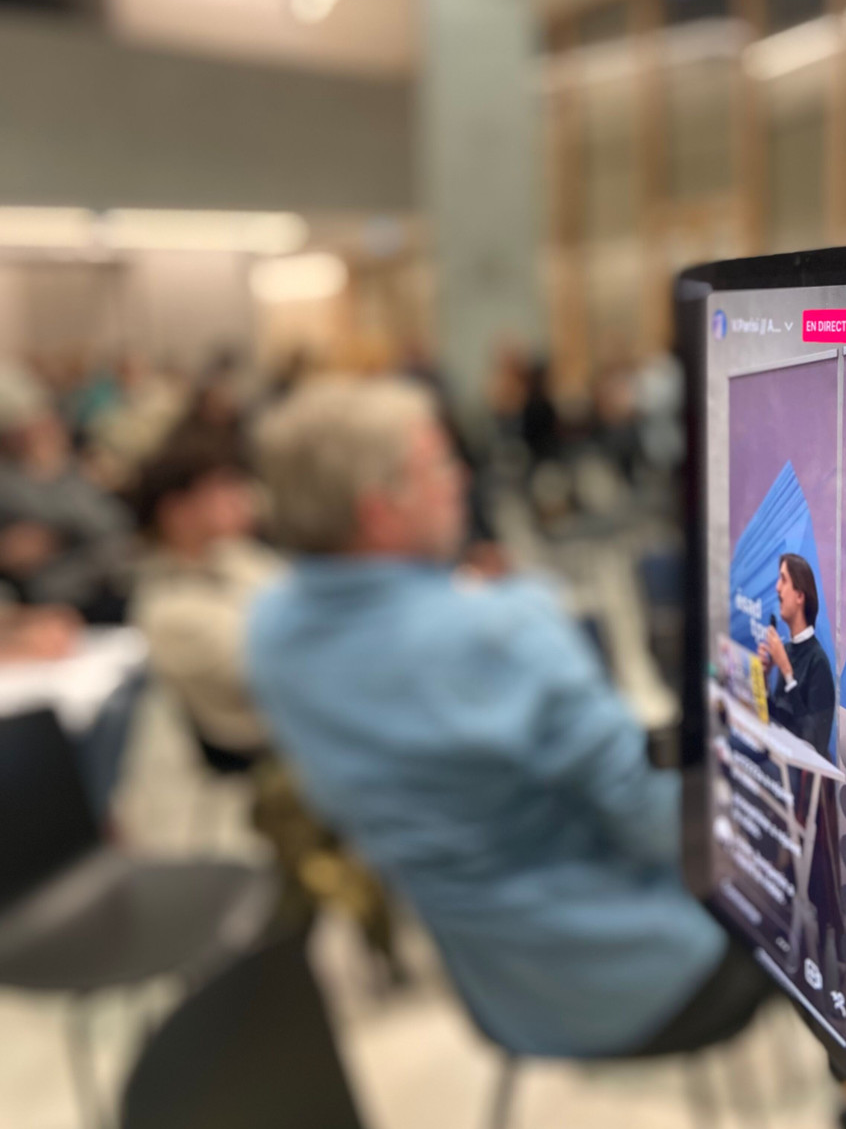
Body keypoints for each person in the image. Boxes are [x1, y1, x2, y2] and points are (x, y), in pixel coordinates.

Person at [248, 376, 772, 1059]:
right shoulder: (500, 632)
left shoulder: (269, 633)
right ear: (380, 509)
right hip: (645, 975)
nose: (459, 478)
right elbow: (665, 829)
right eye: (437, 464)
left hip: (494, 992)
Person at [128, 431, 281, 764]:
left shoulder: (237, 554)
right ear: (177, 511)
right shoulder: (167, 609)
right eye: (220, 489)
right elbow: (288, 672)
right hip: (273, 758)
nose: (241, 497)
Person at [0, 364, 133, 623]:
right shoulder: (15, 478)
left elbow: (113, 527)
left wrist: (56, 469)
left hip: (88, 584)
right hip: (40, 597)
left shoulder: (61, 468)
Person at [757, 553, 835, 762]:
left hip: (799, 770)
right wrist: (764, 679)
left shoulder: (818, 662)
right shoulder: (787, 650)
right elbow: (776, 721)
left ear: (800, 596)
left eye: (783, 579)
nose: (777, 588)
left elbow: (812, 740)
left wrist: (787, 672)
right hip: (778, 756)